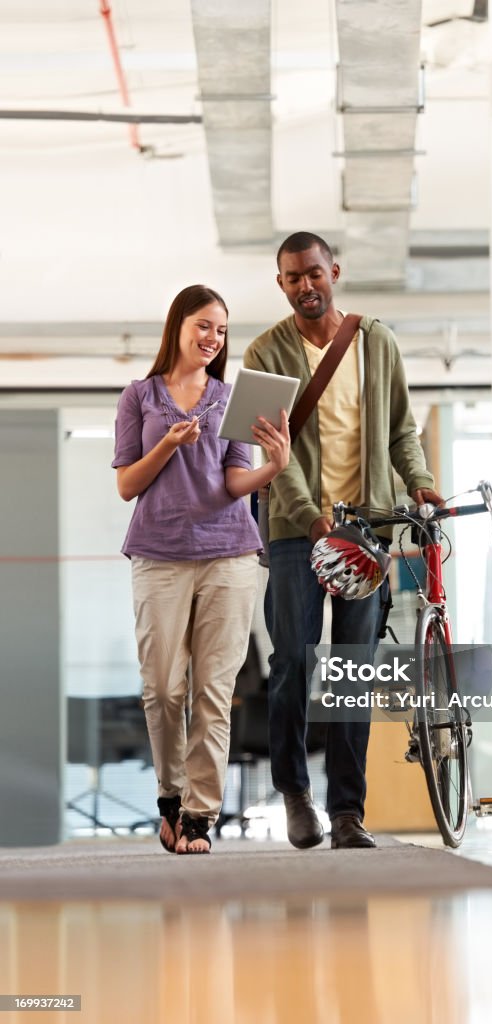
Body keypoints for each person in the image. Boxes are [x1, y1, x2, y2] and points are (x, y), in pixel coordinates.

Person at [244, 231, 443, 850]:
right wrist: (308, 517)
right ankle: (296, 795)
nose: (305, 286)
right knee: (292, 664)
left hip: (370, 528)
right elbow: (268, 451)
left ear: (334, 271)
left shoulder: (377, 341)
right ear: (281, 284)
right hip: (293, 534)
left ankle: (349, 812)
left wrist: (422, 483)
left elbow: (402, 431)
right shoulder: (261, 352)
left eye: (313, 273)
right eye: (292, 278)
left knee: (355, 669)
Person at [112, 284, 290, 854]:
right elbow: (127, 485)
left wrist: (274, 467)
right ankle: (171, 792)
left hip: (229, 554)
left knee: (214, 691)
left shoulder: (230, 397)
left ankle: (198, 816)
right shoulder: (138, 396)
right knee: (163, 689)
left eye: (220, 329)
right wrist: (166, 443)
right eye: (203, 326)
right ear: (178, 327)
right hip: (159, 556)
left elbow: (232, 481)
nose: (213, 338)